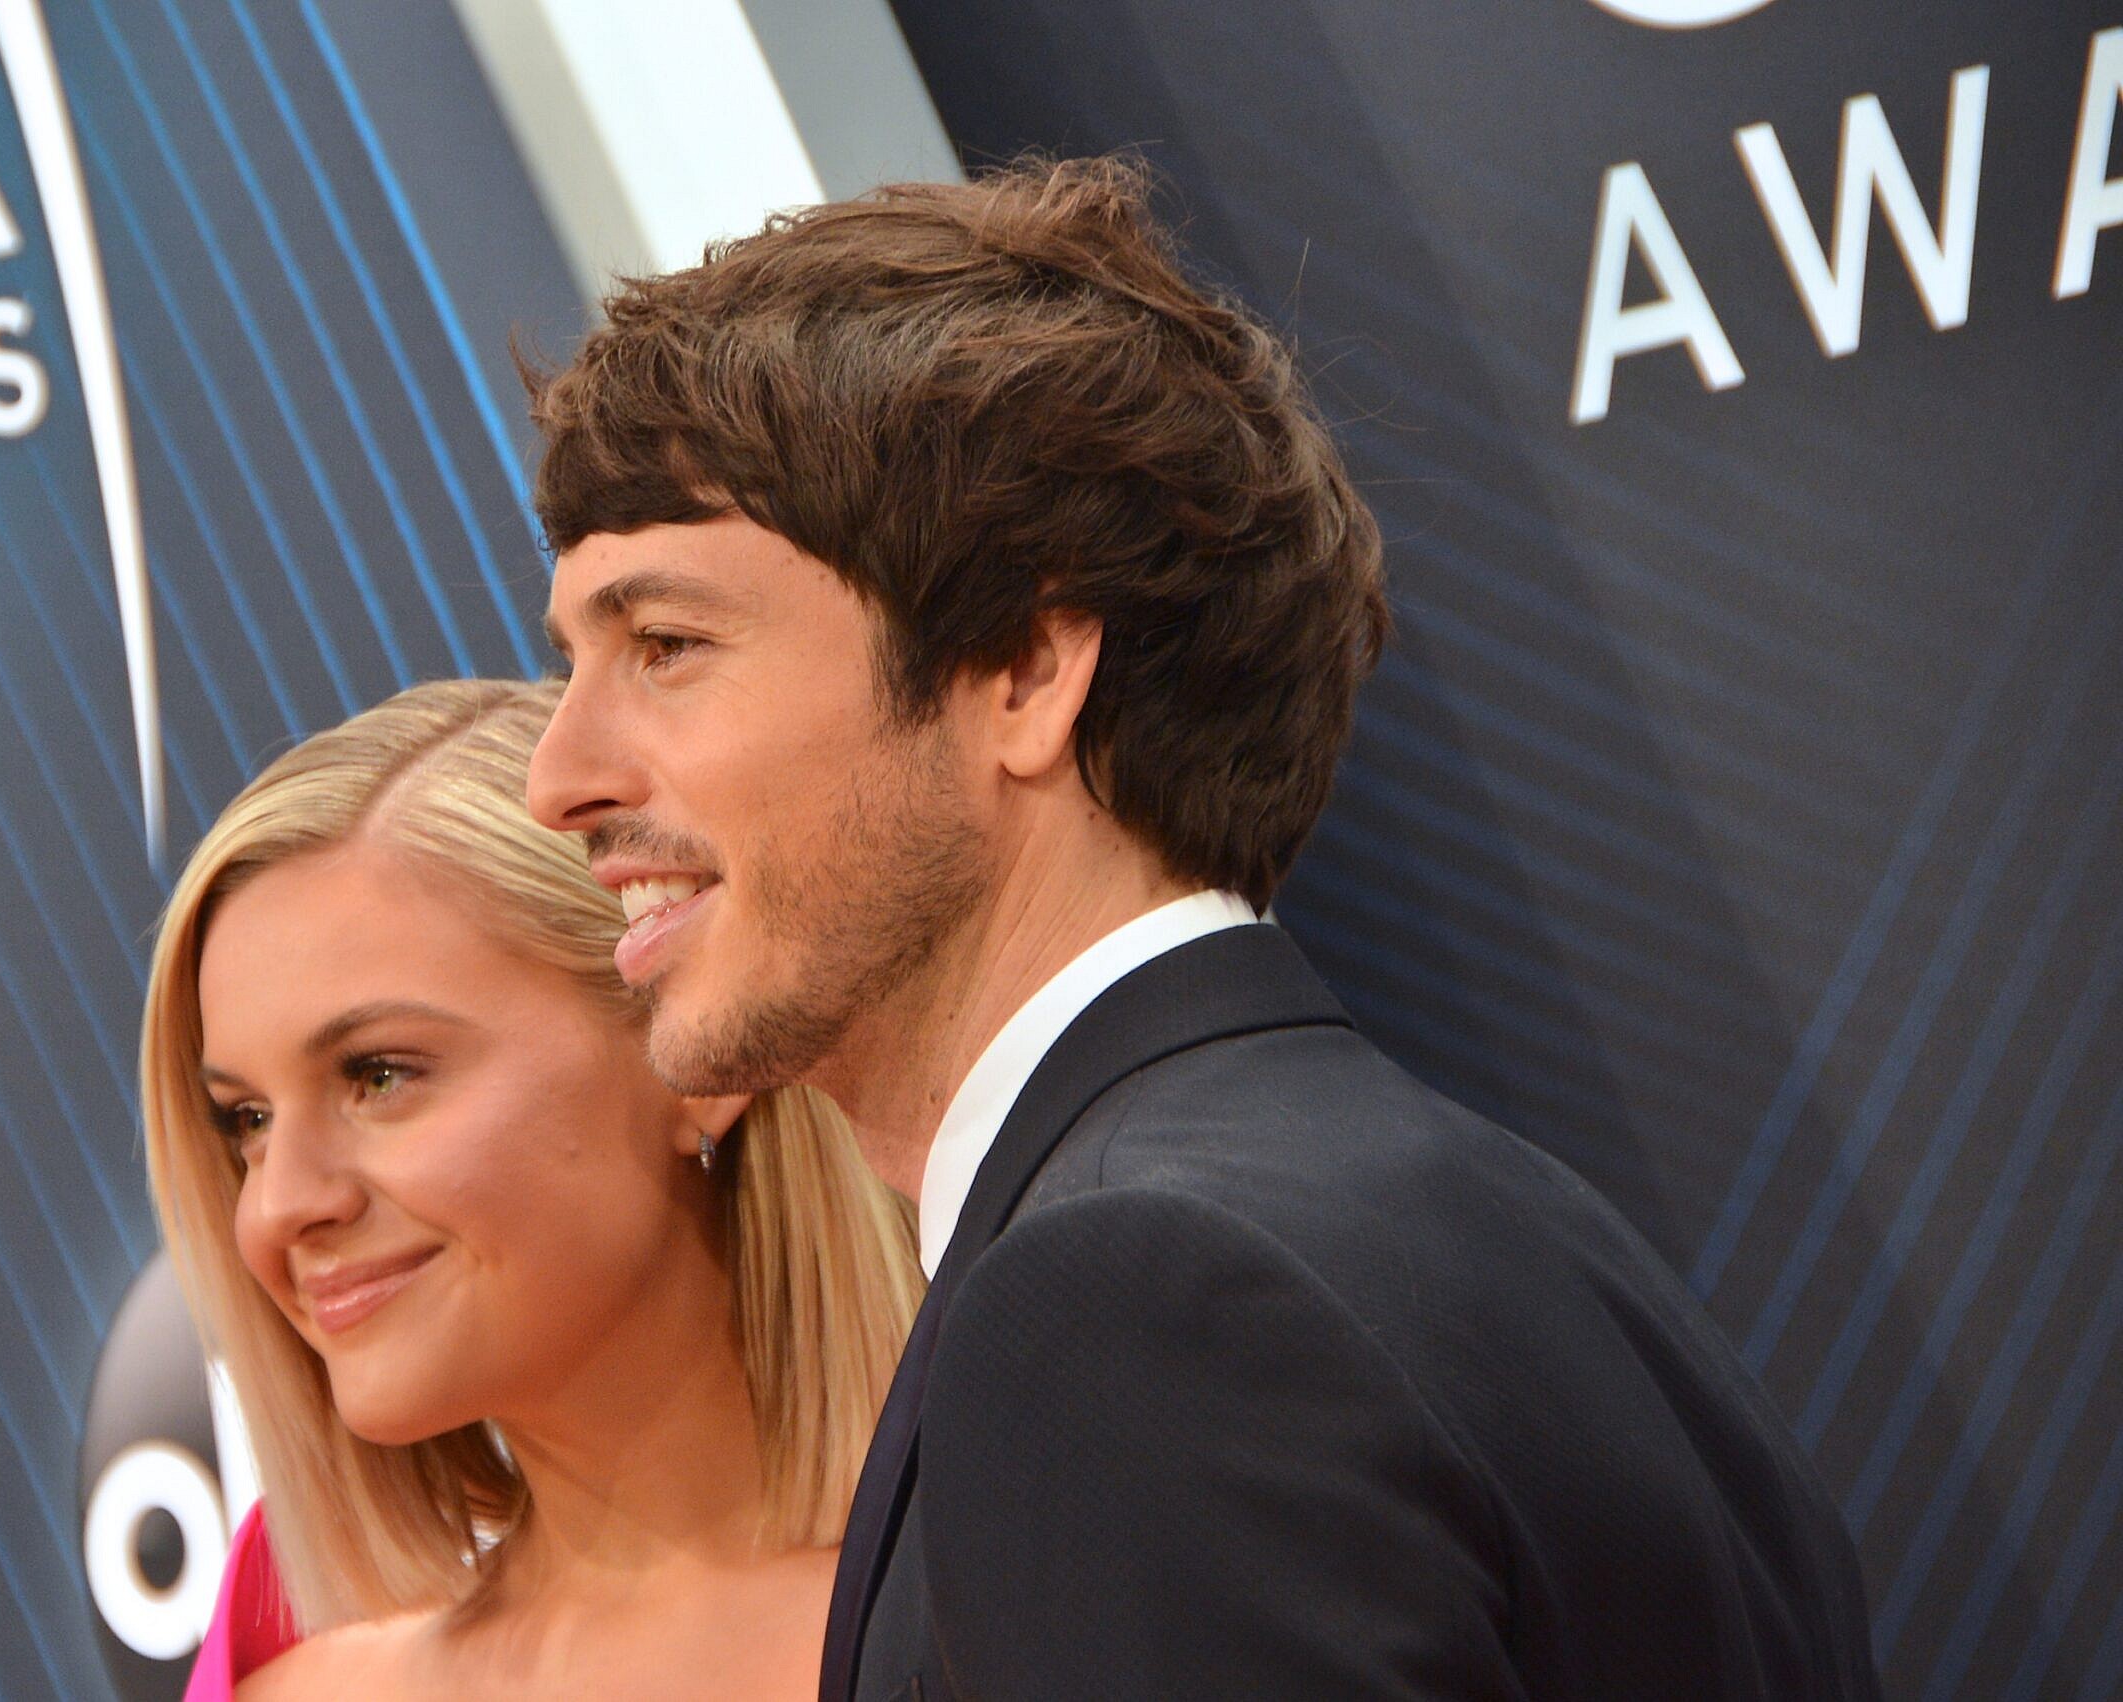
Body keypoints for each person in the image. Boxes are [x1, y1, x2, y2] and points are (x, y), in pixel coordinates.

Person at [524, 157, 1884, 1699]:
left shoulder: (1128, 1306)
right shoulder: (1515, 1231)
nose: (557, 776)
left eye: (667, 644)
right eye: (572, 660)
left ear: (1027, 670)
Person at [141, 679, 922, 1700]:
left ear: (700, 1056)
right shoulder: (276, 1680)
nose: (282, 1204)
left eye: (378, 1074)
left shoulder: (1021, 1610)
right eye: (247, 1120)